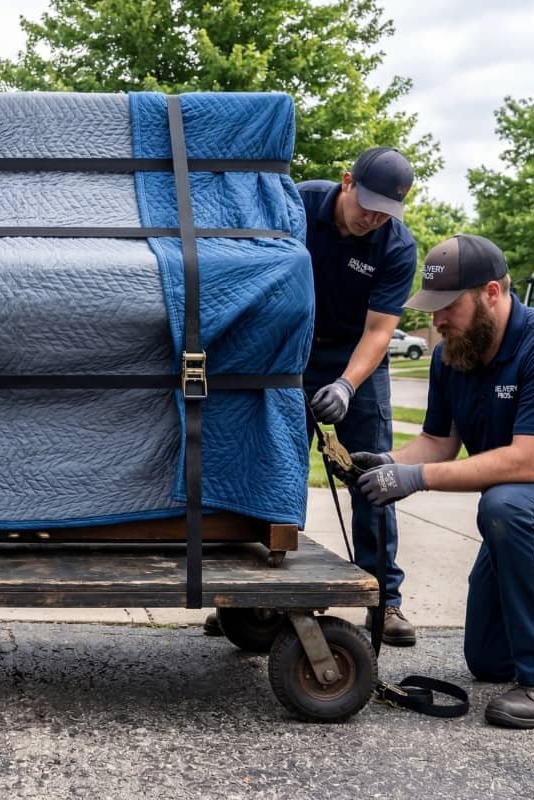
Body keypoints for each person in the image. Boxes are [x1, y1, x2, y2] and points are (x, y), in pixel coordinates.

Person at [353, 233, 534, 729]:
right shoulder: (453, 355)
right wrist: (384, 461)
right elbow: (437, 442)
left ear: (491, 293)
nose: (437, 321)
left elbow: (527, 464)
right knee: (490, 656)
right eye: (431, 309)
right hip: (525, 512)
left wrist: (416, 478)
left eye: (448, 306)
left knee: (507, 502)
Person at [205, 147, 419, 643]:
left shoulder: (396, 246)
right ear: (347, 182)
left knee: (372, 476)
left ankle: (385, 602)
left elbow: (380, 331)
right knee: (272, 469)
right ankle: (250, 598)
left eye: (386, 211)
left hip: (354, 356)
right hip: (288, 350)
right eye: (367, 204)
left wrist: (347, 384)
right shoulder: (296, 207)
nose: (372, 218)